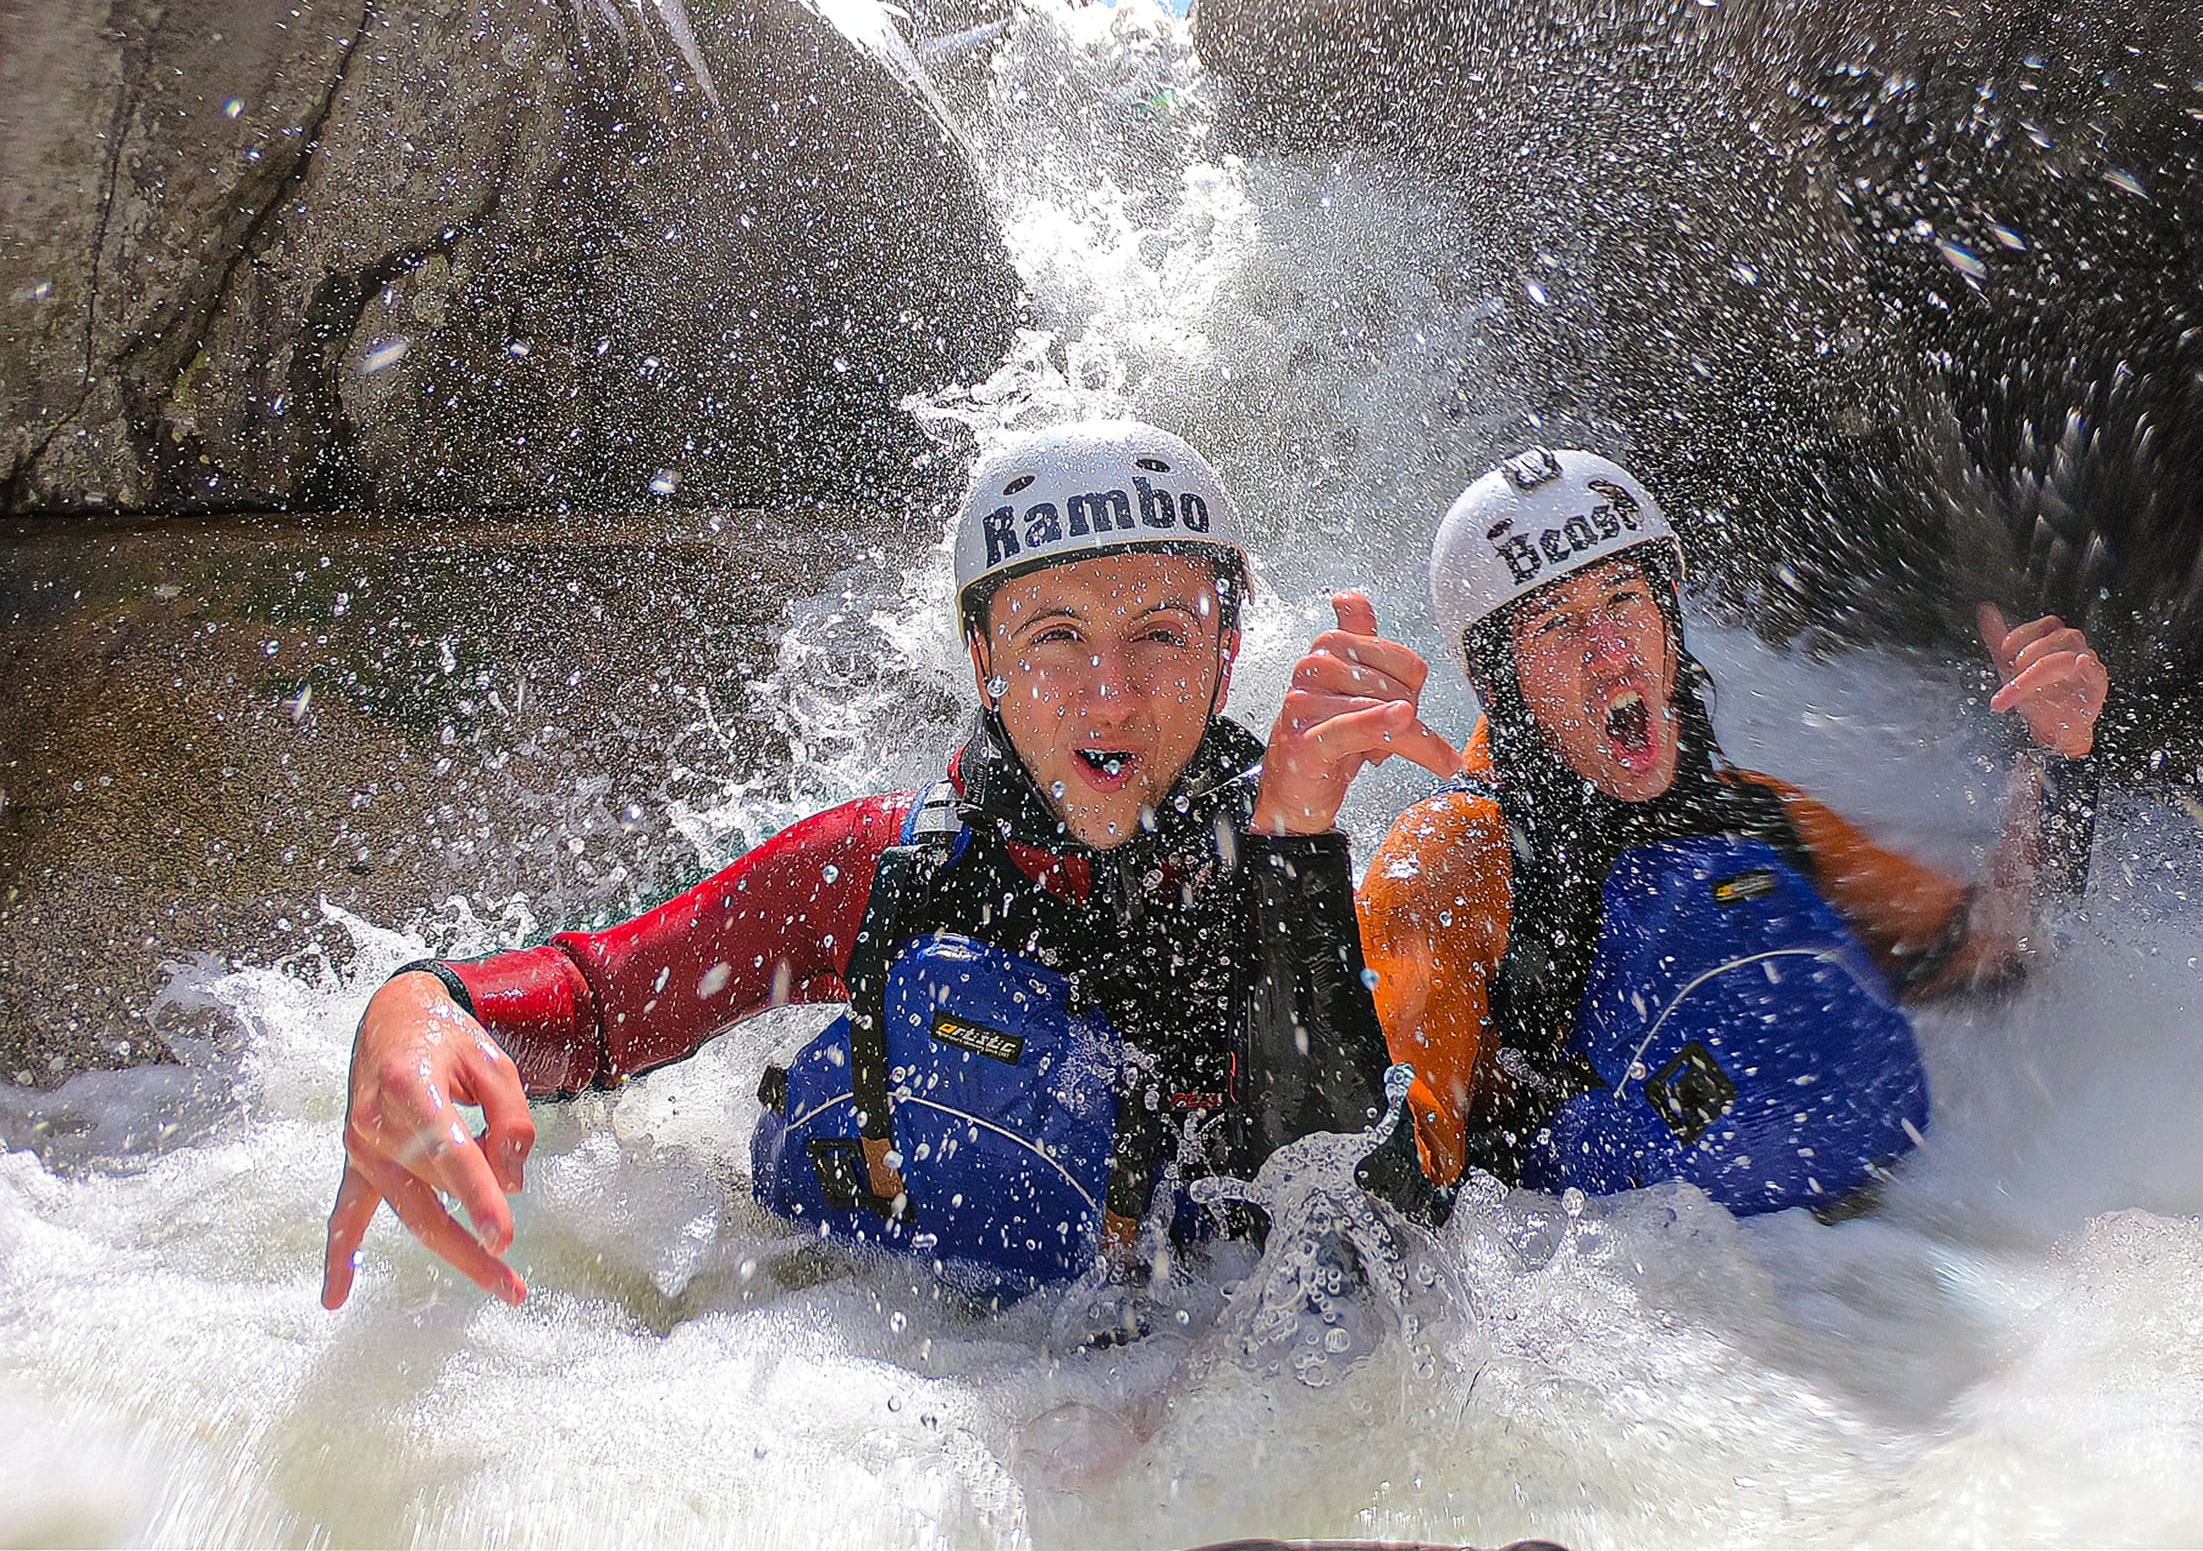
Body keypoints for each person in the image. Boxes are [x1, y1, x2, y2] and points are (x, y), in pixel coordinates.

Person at [322, 421, 1460, 1310]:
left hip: (1172, 1394)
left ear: (1226, 649)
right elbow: (595, 1002)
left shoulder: (1285, 873)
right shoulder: (876, 867)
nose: (1109, 692)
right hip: (875, 1380)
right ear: (982, 660)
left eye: (1159, 632)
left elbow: (1356, 1249)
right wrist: (421, 1007)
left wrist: (1300, 840)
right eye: (1054, 636)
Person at [1355, 448, 2109, 1215]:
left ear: (1669, 617)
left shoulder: (1749, 811)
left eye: (1623, 600)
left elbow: (1995, 952)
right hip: (1620, 1300)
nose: (1611, 654)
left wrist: (2057, 757)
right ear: (1494, 680)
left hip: (1874, 1268)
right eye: (1558, 627)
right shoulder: (1449, 861)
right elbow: (1394, 1184)